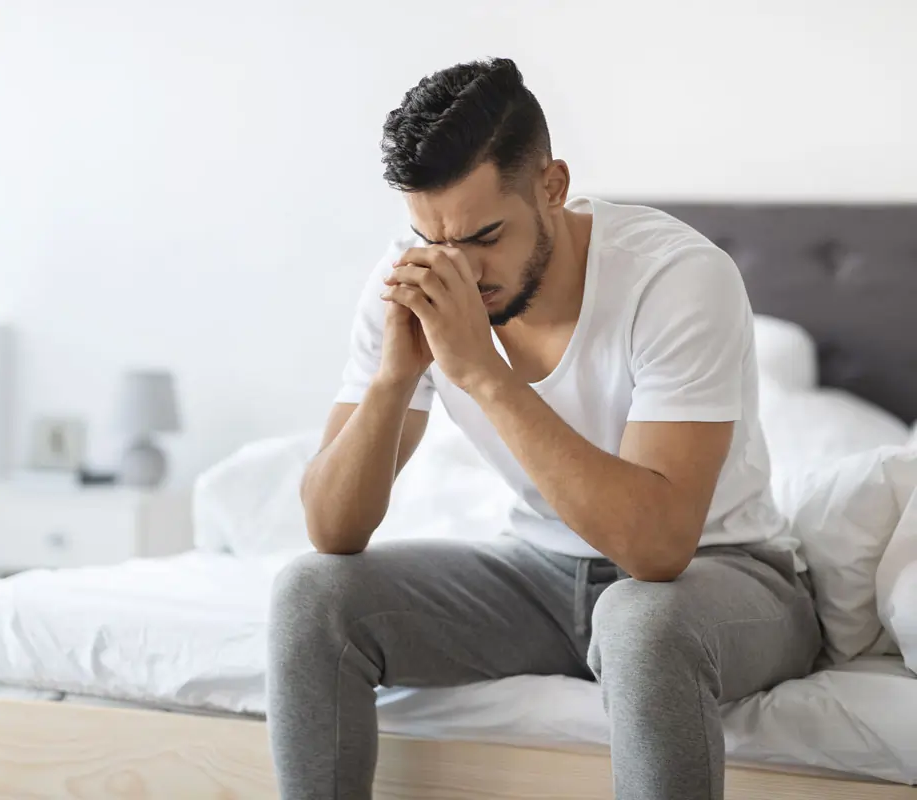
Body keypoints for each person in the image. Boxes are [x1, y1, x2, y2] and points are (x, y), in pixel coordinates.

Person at [266, 57, 821, 800]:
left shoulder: (678, 278)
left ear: (552, 188)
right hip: (537, 576)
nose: (458, 269)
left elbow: (657, 549)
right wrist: (395, 380)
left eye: (485, 236)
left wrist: (481, 375)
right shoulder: (409, 276)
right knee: (311, 595)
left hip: (721, 578)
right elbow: (332, 530)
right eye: (433, 239)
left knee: (637, 621)